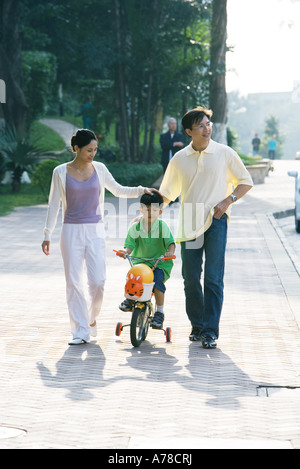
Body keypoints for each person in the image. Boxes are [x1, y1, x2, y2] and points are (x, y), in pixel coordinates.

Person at [41, 129, 156, 345]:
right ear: (76, 149)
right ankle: (80, 331)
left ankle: (91, 319)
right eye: (88, 150)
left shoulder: (99, 169)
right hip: (70, 231)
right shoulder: (60, 172)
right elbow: (53, 205)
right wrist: (47, 234)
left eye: (95, 150)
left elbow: (118, 190)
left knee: (98, 282)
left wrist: (142, 190)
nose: (92, 154)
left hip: (95, 231)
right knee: (73, 282)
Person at [159, 106, 253, 349]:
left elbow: (245, 182)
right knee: (190, 278)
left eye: (208, 124)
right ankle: (197, 325)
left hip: (216, 220)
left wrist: (228, 200)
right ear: (189, 131)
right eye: (201, 126)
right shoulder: (180, 159)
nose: (207, 129)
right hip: (189, 221)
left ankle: (210, 331)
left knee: (213, 278)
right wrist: (148, 212)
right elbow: (167, 193)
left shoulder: (224, 153)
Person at [117, 192, 175, 329]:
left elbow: (171, 243)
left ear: (160, 211)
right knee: (132, 278)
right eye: (147, 209)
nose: (151, 213)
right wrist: (125, 252)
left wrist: (170, 251)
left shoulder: (162, 227)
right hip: (141, 263)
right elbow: (129, 245)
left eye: (154, 210)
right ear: (141, 209)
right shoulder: (135, 227)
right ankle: (130, 299)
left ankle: (160, 312)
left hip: (159, 264)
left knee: (158, 284)